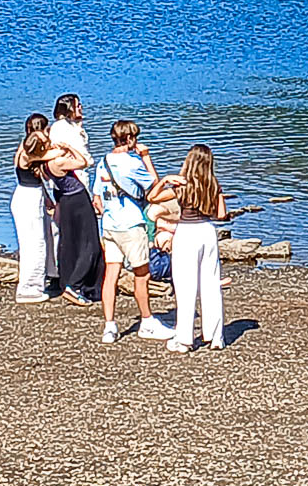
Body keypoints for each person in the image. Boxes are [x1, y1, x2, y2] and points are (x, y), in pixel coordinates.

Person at [93, 120, 175, 343]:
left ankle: (109, 326)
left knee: (111, 275)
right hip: (131, 224)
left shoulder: (103, 162)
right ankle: (146, 321)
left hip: (109, 224)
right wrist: (146, 157)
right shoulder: (133, 163)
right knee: (142, 274)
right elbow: (154, 187)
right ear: (129, 139)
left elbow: (97, 198)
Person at [150, 144, 227, 352]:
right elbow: (221, 214)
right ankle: (215, 335)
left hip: (187, 232)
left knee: (185, 286)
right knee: (211, 284)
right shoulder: (213, 184)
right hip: (207, 232)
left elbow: (152, 198)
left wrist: (165, 180)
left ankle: (184, 338)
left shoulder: (182, 186)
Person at [45, 134, 104, 306]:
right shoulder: (57, 162)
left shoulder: (46, 163)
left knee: (72, 242)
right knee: (90, 244)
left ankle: (71, 280)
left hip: (66, 199)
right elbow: (83, 162)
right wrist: (70, 149)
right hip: (77, 200)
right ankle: (75, 284)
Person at [10, 114, 58, 304]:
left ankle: (50, 274)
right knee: (34, 244)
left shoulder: (31, 149)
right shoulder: (27, 151)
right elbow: (53, 155)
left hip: (33, 194)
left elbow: (38, 179)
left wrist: (47, 198)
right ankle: (29, 288)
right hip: (27, 199)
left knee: (47, 235)